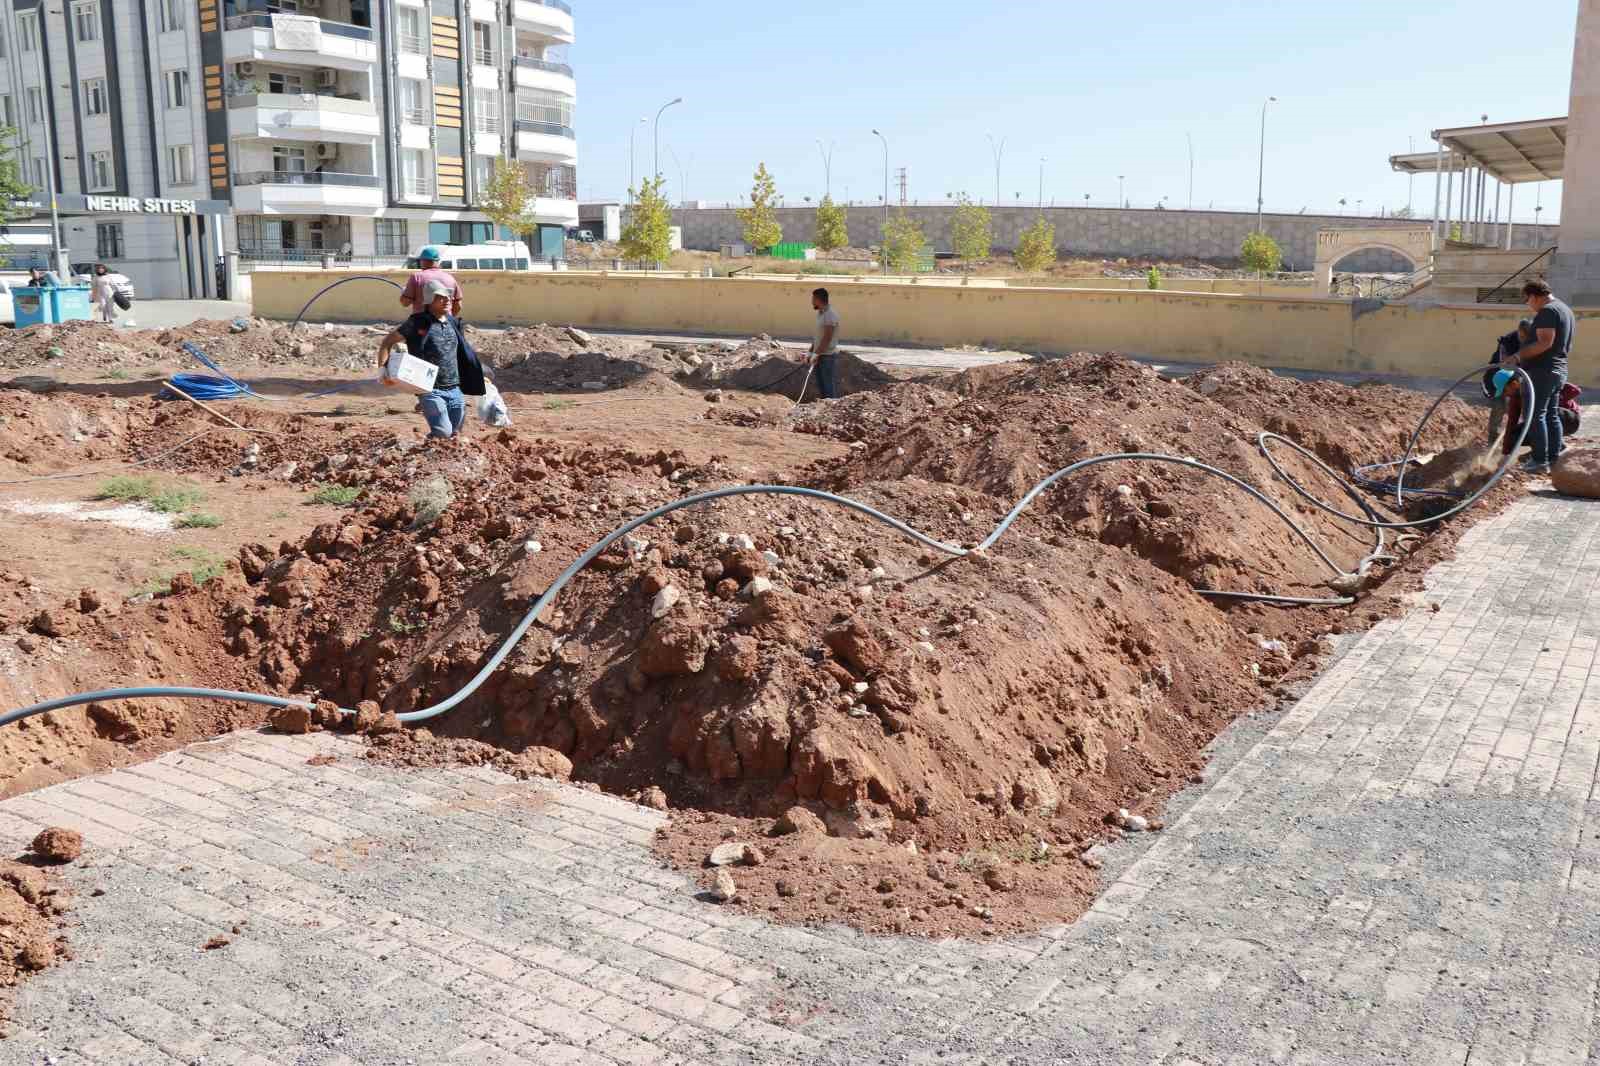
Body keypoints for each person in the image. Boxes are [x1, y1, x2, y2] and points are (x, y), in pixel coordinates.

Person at [377, 279, 486, 439]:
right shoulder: (417, 322)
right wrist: (382, 370)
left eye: (448, 296)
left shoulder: (453, 323)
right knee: (443, 433)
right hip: (430, 389)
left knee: (455, 435)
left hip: (455, 389)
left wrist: (479, 372)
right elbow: (387, 343)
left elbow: (462, 353)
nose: (447, 299)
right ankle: (424, 451)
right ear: (429, 300)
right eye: (441, 297)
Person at [1498, 279, 1576, 473]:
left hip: (1542, 371)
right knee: (1550, 414)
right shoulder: (1565, 309)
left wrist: (1516, 356)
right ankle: (1554, 456)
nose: (1528, 304)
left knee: (1535, 415)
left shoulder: (1548, 311)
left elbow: (1544, 343)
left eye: (1527, 299)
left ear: (1534, 296)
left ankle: (1540, 460)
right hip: (1557, 370)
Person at [400, 245, 462, 318]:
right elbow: (458, 305)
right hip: (446, 323)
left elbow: (405, 303)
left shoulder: (416, 277)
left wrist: (404, 293)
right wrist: (449, 319)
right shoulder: (450, 278)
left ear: (422, 261)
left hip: (421, 323)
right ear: (438, 261)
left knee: (400, 330)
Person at [807, 287, 841, 400]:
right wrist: (810, 351)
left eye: (813, 298)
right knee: (821, 385)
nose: (811, 301)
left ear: (818, 299)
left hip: (827, 356)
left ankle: (832, 408)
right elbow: (818, 336)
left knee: (828, 386)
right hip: (820, 354)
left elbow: (827, 338)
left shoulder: (830, 315)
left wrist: (816, 354)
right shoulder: (821, 313)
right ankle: (823, 410)